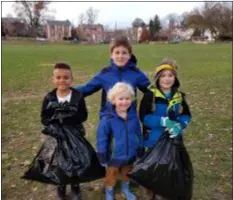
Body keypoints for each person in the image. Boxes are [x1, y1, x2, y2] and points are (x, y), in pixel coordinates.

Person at [139, 57, 192, 200]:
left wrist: (179, 125)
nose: (167, 79)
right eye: (163, 76)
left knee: (168, 166)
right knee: (152, 168)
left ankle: (164, 191)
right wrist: (162, 121)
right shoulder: (150, 96)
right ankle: (150, 192)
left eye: (170, 75)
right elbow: (143, 117)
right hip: (153, 140)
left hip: (172, 140)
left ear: (175, 77)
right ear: (157, 78)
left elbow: (186, 115)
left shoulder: (179, 96)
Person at [41, 63, 87, 200]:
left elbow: (83, 116)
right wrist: (54, 121)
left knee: (75, 161)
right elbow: (44, 118)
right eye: (59, 77)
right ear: (53, 80)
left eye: (66, 77)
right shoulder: (49, 98)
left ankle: (75, 187)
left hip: (74, 134)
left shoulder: (78, 96)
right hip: (57, 136)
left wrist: (70, 115)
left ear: (71, 79)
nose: (62, 80)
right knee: (59, 162)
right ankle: (61, 188)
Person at [76, 36, 150, 116]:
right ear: (111, 55)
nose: (120, 56)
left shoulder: (136, 73)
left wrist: (164, 93)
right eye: (117, 52)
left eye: (124, 53)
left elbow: (151, 90)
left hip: (129, 120)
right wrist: (67, 91)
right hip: (108, 119)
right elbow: (87, 88)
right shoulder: (105, 73)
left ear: (130, 55)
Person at [96, 82, 144, 200]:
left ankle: (125, 189)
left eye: (127, 98)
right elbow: (101, 138)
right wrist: (102, 155)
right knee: (111, 174)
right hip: (114, 156)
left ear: (131, 99)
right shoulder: (107, 119)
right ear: (113, 100)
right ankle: (109, 192)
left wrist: (140, 148)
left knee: (126, 172)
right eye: (120, 99)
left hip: (130, 153)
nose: (124, 102)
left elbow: (138, 133)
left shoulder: (133, 117)